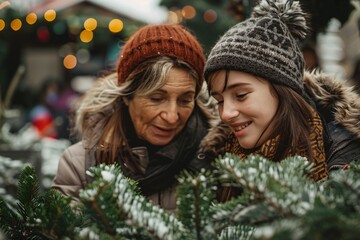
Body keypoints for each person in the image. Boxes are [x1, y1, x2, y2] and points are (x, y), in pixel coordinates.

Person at [202, 0, 360, 200]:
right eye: (220, 100)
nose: (226, 113)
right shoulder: (217, 159)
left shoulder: (344, 151)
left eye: (240, 95)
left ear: (282, 90)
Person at [52, 24, 213, 212]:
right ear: (127, 96)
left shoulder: (216, 159)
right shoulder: (79, 165)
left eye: (185, 100)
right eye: (156, 98)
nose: (171, 116)